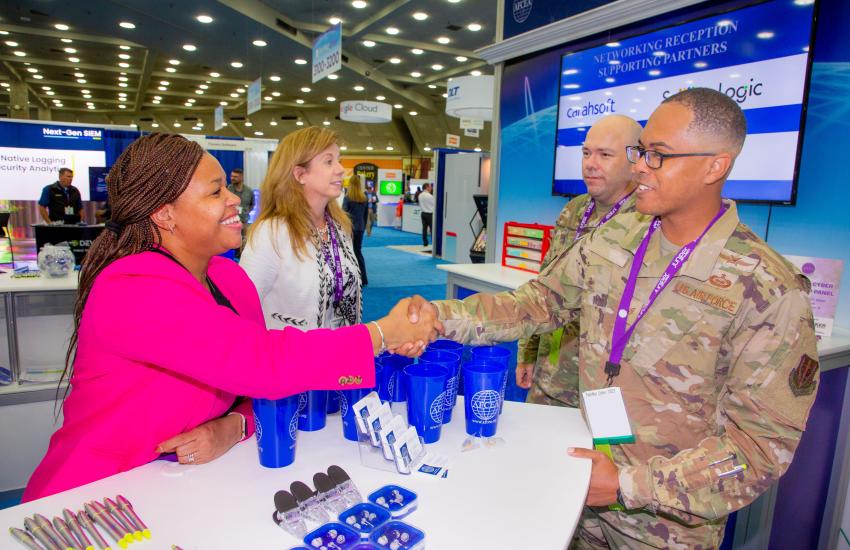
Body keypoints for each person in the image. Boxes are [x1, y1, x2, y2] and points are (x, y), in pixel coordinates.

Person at [407, 88, 818, 548]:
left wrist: (628, 486)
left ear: (714, 166)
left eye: (657, 155)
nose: (639, 165)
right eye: (642, 151)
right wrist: (438, 317)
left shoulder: (766, 287)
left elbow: (759, 449)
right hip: (580, 478)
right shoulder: (619, 235)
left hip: (665, 525)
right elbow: (539, 301)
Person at [23, 133, 439, 502]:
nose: (234, 199)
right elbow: (263, 361)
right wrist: (384, 333)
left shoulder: (227, 277)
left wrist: (235, 425)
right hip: (96, 497)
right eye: (215, 191)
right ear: (165, 214)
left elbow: (253, 384)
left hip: (187, 489)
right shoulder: (132, 285)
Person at [517, 115, 642, 407]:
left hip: (605, 390)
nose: (590, 163)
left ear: (635, 160)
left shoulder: (648, 223)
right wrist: (528, 350)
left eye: (605, 155)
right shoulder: (573, 210)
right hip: (550, 376)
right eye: (586, 153)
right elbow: (543, 286)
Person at [241, 127, 362, 332]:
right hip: (291, 360)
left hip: (342, 355)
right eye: (328, 161)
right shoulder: (271, 232)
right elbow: (243, 308)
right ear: (300, 174)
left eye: (338, 159)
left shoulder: (339, 227)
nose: (341, 168)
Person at [343, 174, 369, 286]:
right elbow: (365, 215)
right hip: (360, 228)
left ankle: (352, 278)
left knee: (349, 253)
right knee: (358, 252)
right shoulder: (364, 198)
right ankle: (364, 278)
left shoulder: (348, 198)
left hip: (350, 228)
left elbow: (344, 214)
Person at [226, 168, 254, 259]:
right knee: (230, 241)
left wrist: (245, 213)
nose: (232, 178)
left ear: (241, 177)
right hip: (230, 221)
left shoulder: (249, 191)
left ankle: (241, 258)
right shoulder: (228, 189)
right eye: (231, 176)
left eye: (235, 176)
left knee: (243, 241)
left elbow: (252, 204)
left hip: (243, 221)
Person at [418, 183, 434, 247]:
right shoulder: (430, 196)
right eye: (430, 187)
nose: (431, 188)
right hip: (430, 214)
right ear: (427, 187)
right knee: (432, 229)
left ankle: (425, 242)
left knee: (424, 229)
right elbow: (434, 205)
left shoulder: (420, 195)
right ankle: (434, 243)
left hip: (423, 214)